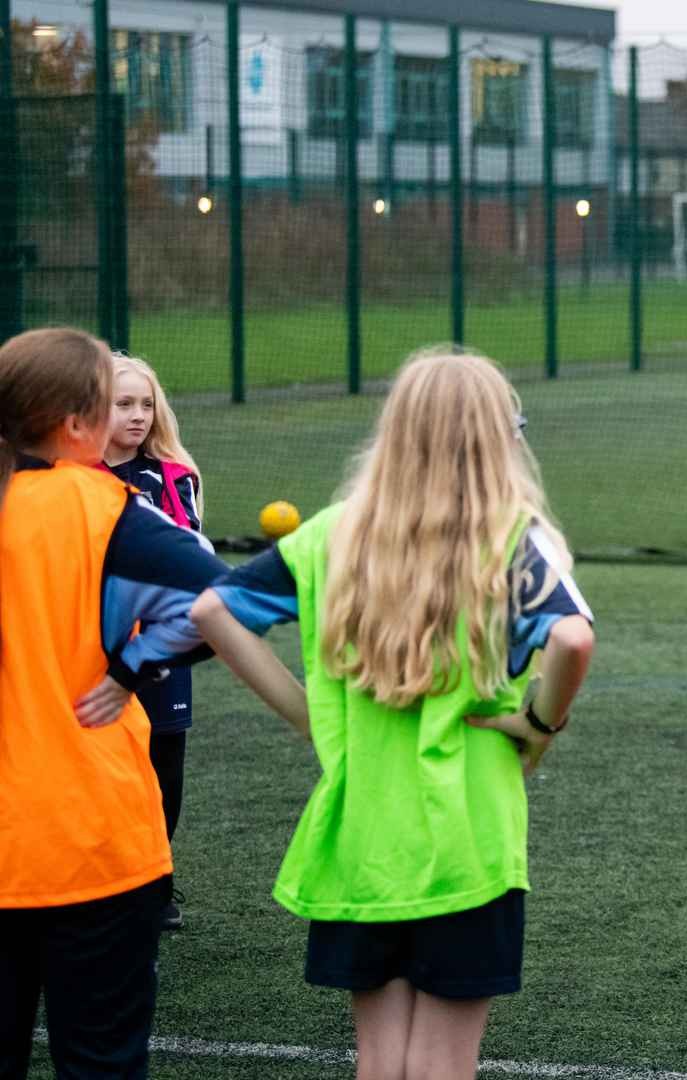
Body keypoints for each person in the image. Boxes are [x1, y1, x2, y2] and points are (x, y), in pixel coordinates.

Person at [190, 347, 596, 1080]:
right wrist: (541, 724)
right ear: (499, 437)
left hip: (360, 842)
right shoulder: (510, 538)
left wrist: (304, 712)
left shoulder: (328, 533)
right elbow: (571, 636)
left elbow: (213, 611)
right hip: (468, 843)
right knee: (443, 1065)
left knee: (380, 1063)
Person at [0, 326, 231, 1079]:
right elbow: (220, 599)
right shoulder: (106, 510)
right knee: (101, 1063)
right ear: (76, 423)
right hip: (93, 845)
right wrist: (133, 665)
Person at [101, 352, 205, 932]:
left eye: (146, 404)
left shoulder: (172, 477)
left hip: (162, 651)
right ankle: (106, 875)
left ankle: (157, 878)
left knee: (163, 756)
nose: (137, 416)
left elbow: (186, 555)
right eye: (123, 404)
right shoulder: (72, 478)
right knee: (106, 760)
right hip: (95, 650)